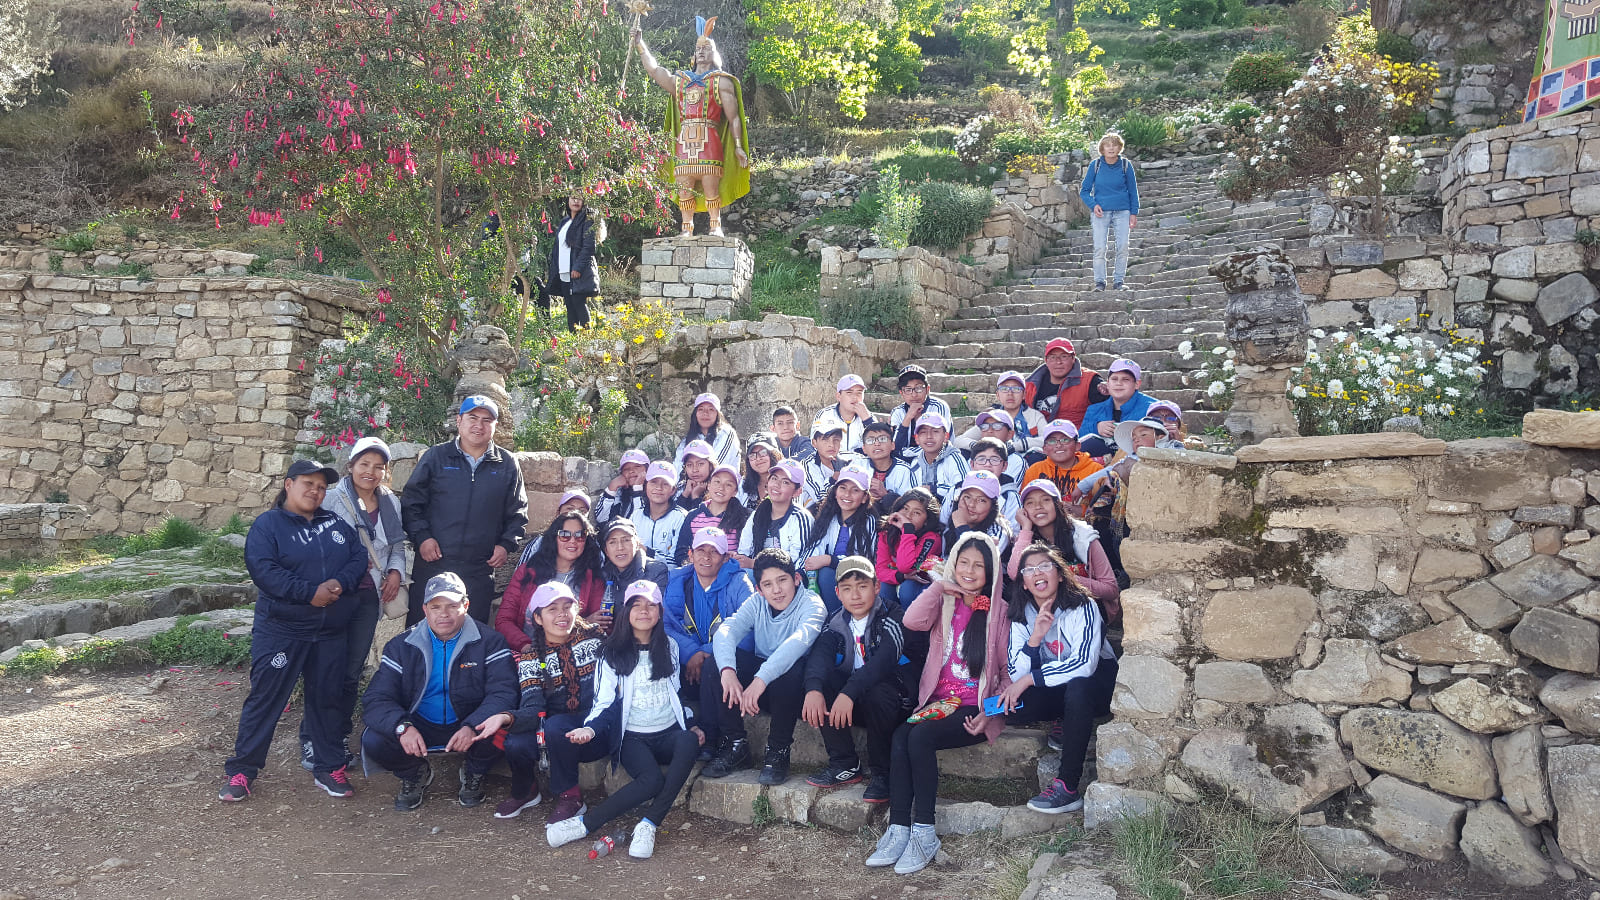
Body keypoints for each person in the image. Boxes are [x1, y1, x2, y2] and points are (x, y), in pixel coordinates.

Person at [219, 459, 368, 802]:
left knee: (328, 700)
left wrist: (338, 584)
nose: (316, 491)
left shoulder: (335, 524)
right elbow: (264, 571)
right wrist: (309, 593)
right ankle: (242, 771)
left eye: (322, 487)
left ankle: (328, 767)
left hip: (330, 632)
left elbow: (358, 558)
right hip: (282, 630)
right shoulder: (268, 525)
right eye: (308, 484)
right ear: (289, 485)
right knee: (266, 698)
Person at [867, 532, 1012, 875]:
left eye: (978, 566)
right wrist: (938, 587)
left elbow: (1009, 676)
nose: (969, 571)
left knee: (919, 738)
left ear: (991, 572)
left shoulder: (1001, 611)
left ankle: (925, 831)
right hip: (937, 703)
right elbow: (911, 621)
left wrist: (990, 713)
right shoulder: (945, 601)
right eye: (963, 563)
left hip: (973, 709)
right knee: (901, 736)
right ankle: (899, 828)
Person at [545, 580, 705, 857]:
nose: (644, 611)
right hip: (633, 737)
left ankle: (649, 824)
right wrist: (590, 730)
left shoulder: (670, 646)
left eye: (651, 605)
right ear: (626, 612)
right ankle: (585, 824)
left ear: (660, 612)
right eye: (636, 605)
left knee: (689, 742)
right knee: (651, 781)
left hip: (667, 732)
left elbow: (674, 692)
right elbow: (604, 701)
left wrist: (690, 723)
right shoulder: (611, 652)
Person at [359, 573, 518, 811]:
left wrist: (472, 725)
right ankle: (414, 772)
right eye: (435, 607)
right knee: (374, 740)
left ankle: (475, 770)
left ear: (466, 605)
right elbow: (377, 698)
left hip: (469, 722)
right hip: (419, 723)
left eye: (452, 606)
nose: (443, 614)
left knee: (504, 729)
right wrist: (403, 727)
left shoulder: (491, 642)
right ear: (425, 609)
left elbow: (504, 692)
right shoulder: (401, 646)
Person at [304, 436, 407, 773]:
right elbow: (314, 543)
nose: (370, 472)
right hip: (335, 596)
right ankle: (311, 738)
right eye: (364, 464)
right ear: (351, 465)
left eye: (378, 467)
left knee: (351, 670)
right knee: (325, 668)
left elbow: (396, 545)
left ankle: (337, 735)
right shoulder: (332, 499)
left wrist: (395, 572)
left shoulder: (390, 501)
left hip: (368, 597)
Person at [994, 543, 1118, 813]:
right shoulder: (1021, 614)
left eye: (1044, 566)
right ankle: (1064, 717)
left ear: (1060, 574)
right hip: (1056, 686)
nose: (1037, 573)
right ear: (1024, 583)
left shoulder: (1083, 605)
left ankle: (1067, 787)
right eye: (1029, 570)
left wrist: (1029, 680)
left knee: (1078, 688)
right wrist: (1036, 637)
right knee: (1010, 707)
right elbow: (1016, 672)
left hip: (1096, 685)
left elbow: (1085, 665)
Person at [401, 395, 529, 625]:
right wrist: (422, 538)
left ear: (495, 426)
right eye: (473, 418)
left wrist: (505, 545)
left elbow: (518, 512)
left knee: (472, 635)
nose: (479, 425)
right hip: (433, 565)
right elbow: (411, 503)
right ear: (459, 421)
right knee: (422, 632)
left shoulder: (507, 464)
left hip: (479, 570)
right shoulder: (436, 457)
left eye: (486, 420)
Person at [704, 548, 826, 785]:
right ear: (759, 589)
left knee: (790, 669)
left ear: (796, 578)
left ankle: (778, 751)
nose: (777, 590)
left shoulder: (813, 605)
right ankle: (735, 744)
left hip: (794, 691)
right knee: (715, 664)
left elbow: (796, 643)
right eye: (768, 584)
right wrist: (728, 671)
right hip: (762, 687)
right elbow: (727, 630)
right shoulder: (757, 601)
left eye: (782, 580)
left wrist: (760, 679)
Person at [500, 582, 609, 829]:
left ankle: (570, 796)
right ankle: (526, 790)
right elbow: (532, 707)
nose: (562, 614)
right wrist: (507, 718)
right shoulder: (533, 657)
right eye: (552, 609)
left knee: (556, 726)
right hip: (555, 736)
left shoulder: (595, 639)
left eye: (567, 606)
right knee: (516, 742)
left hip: (597, 729)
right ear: (537, 618)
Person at [632, 16, 750, 236]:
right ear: (693, 54)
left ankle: (715, 225)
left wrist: (737, 146)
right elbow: (655, 71)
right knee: (683, 187)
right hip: (684, 141)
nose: (701, 51)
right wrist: (640, 44)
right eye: (698, 48)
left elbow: (733, 118)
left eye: (706, 48)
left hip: (709, 139)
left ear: (715, 54)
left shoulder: (721, 81)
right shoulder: (681, 81)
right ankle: (686, 228)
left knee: (710, 186)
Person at [802, 556, 907, 802]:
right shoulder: (836, 620)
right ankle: (844, 764)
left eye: (862, 586)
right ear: (837, 593)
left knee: (878, 692)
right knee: (823, 682)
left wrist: (849, 692)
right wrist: (813, 689)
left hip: (893, 702)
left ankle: (882, 773)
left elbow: (884, 662)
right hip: (854, 702)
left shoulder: (893, 614)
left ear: (876, 587)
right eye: (847, 589)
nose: (856, 596)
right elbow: (820, 655)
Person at [663, 526, 755, 755]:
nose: (706, 557)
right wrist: (691, 653)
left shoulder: (739, 583)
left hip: (725, 667)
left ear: (725, 557)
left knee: (714, 666)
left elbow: (748, 631)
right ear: (691, 554)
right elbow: (665, 626)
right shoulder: (677, 581)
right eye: (701, 550)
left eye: (714, 552)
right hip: (689, 667)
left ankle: (713, 738)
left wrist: (704, 652)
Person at [498, 512, 608, 648]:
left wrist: (583, 623)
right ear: (554, 538)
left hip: (571, 652)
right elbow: (504, 620)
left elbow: (600, 625)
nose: (572, 541)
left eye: (580, 535)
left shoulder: (593, 579)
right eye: (565, 535)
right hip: (525, 651)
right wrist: (526, 647)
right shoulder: (527, 572)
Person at [1008, 480, 1120, 610]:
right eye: (1030, 503)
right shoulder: (1025, 539)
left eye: (1045, 500)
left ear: (1059, 505)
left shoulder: (1083, 536)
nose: (1038, 506)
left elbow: (1111, 589)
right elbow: (1014, 574)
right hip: (1043, 610)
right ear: (1024, 511)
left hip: (1083, 608)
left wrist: (1064, 577)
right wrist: (1026, 528)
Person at [800, 466, 878, 615]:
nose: (847, 494)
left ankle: (835, 619)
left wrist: (830, 560)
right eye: (843, 488)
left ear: (864, 498)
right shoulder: (829, 517)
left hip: (857, 576)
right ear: (835, 492)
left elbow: (863, 559)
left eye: (855, 490)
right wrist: (804, 568)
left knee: (826, 574)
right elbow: (816, 546)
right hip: (827, 572)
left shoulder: (869, 521)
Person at [1079, 131, 1139, 292]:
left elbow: (1133, 191)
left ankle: (1119, 281)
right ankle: (1100, 282)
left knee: (1123, 246)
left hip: (1123, 211)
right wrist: (1093, 205)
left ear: (1119, 148)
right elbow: (1084, 191)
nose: (1111, 148)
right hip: (1101, 212)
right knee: (1100, 248)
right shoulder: (1095, 165)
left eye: (1114, 145)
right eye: (1107, 145)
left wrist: (1134, 213)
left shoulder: (1125, 165)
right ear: (1102, 149)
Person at [735, 459, 814, 567]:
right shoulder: (757, 514)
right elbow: (744, 550)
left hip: (786, 575)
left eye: (785, 482)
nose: (777, 485)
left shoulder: (801, 518)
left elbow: (796, 560)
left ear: (797, 492)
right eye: (774, 478)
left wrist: (755, 564)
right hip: (755, 572)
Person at [875, 488, 943, 608]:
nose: (908, 515)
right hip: (899, 579)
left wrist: (907, 531)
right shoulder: (887, 534)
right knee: (883, 587)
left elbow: (907, 567)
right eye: (905, 508)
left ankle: (910, 620)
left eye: (917, 513)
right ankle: (891, 618)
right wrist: (901, 576)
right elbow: (881, 570)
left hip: (922, 585)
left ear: (926, 521)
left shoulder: (932, 538)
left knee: (907, 589)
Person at [547, 195, 605, 331]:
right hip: (563, 270)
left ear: (584, 202)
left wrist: (577, 268)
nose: (576, 201)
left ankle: (587, 337)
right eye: (573, 198)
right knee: (570, 307)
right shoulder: (565, 221)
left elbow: (589, 247)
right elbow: (558, 247)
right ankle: (574, 340)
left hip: (578, 271)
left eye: (579, 199)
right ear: (568, 201)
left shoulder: (587, 221)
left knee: (579, 303)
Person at [1079, 359, 1156, 458]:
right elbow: (1079, 440)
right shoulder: (1094, 410)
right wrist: (1096, 428)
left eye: (1125, 379)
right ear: (1108, 383)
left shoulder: (1153, 408)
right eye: (1114, 379)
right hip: (1099, 462)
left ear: (1137, 384)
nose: (1119, 383)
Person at [674, 463, 749, 564]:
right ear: (709, 485)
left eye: (728, 485)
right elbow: (681, 553)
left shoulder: (743, 517)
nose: (721, 488)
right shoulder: (693, 516)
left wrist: (733, 558)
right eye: (717, 482)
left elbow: (745, 554)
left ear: (735, 492)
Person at [1024, 339, 1106, 428]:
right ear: (1046, 360)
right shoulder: (1030, 385)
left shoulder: (1090, 381)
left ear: (1073, 358)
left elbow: (1108, 408)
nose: (1058, 362)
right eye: (1053, 357)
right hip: (1038, 434)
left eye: (1064, 356)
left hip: (1076, 435)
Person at [599, 519, 672, 617]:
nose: (620, 547)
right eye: (613, 542)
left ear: (637, 544)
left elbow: (657, 614)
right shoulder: (602, 575)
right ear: (606, 551)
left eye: (626, 540)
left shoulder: (656, 571)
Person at [1023, 420, 1104, 500]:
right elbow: (1025, 502)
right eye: (1052, 441)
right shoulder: (1035, 471)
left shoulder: (1095, 470)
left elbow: (1102, 503)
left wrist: (1082, 508)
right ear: (1044, 449)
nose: (1058, 445)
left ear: (1077, 445)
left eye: (1065, 440)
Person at [902, 411, 969, 504]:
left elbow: (964, 490)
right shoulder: (915, 460)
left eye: (935, 431)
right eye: (923, 432)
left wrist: (934, 489)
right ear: (917, 439)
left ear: (946, 436)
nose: (929, 436)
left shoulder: (954, 459)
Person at [943, 470, 1014, 558]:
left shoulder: (998, 532)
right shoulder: (950, 521)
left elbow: (977, 559)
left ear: (992, 507)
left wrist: (961, 527)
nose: (971, 504)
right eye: (967, 497)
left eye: (981, 500)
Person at [517, 489, 595, 564]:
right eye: (570, 508)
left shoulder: (592, 545)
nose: (576, 513)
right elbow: (522, 571)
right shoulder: (539, 543)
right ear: (558, 512)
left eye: (582, 511)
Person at [631, 460, 689, 562]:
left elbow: (677, 561)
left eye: (665, 484)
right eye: (653, 482)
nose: (659, 488)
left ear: (673, 490)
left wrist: (647, 552)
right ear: (646, 485)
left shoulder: (681, 517)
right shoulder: (636, 515)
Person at [887, 365, 951, 455]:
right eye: (908, 389)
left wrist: (905, 453)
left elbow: (939, 445)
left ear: (927, 389)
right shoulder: (897, 412)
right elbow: (895, 447)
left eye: (919, 388)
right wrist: (908, 418)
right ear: (901, 393)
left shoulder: (938, 407)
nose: (914, 395)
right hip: (904, 460)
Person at [952, 414, 1029, 486]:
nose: (990, 430)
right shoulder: (971, 457)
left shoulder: (1017, 461)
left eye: (997, 426)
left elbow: (1009, 489)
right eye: (985, 426)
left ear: (1010, 434)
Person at [860, 420, 916, 517]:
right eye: (870, 440)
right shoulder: (858, 465)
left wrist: (886, 494)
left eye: (882, 439)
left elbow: (911, 504)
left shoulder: (904, 470)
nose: (877, 443)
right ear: (864, 449)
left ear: (892, 445)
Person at [674, 392, 742, 471]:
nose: (705, 413)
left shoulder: (727, 434)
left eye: (711, 409)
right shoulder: (687, 441)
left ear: (717, 414)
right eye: (701, 409)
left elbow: (716, 467)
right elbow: (677, 468)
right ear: (695, 414)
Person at [801, 414, 850, 508]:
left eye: (836, 440)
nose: (831, 445)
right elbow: (820, 498)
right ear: (814, 443)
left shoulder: (848, 459)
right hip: (817, 512)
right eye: (825, 439)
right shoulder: (807, 465)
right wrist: (834, 477)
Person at [819, 374, 877, 452]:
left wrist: (867, 420)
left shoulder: (869, 417)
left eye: (859, 393)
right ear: (838, 396)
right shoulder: (825, 415)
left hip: (860, 459)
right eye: (849, 392)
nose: (855, 397)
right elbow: (815, 446)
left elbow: (878, 446)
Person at [597, 448, 651, 525]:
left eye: (637, 466)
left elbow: (640, 522)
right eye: (626, 469)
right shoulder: (620, 492)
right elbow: (601, 519)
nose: (631, 471)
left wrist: (637, 489)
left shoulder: (654, 492)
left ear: (647, 470)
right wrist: (612, 488)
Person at [673, 439, 717, 511]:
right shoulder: (681, 487)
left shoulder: (717, 489)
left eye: (700, 464)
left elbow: (704, 517)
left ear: (711, 466)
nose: (694, 470)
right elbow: (674, 515)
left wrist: (695, 496)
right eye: (689, 465)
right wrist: (685, 494)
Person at [740, 436, 781, 507]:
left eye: (763, 452)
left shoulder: (788, 482)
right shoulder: (743, 485)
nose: (758, 458)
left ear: (774, 454)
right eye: (752, 455)